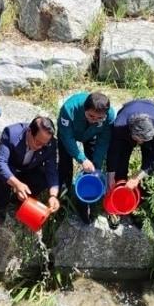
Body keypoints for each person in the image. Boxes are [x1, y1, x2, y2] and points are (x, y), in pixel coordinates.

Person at [0, 117, 61, 225]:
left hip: (27, 169)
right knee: (5, 177)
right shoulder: (11, 133)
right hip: (8, 169)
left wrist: (53, 196)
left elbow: (51, 170)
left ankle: (19, 201)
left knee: (42, 179)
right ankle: (0, 209)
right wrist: (16, 184)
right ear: (29, 131)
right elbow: (0, 163)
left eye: (44, 144)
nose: (40, 147)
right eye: (38, 142)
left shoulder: (50, 143)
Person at [105, 99, 154, 227]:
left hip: (152, 134)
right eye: (137, 140)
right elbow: (113, 152)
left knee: (147, 171)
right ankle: (117, 198)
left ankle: (138, 203)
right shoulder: (120, 125)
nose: (139, 143)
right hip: (128, 124)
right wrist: (110, 176)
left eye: (143, 140)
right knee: (121, 161)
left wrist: (137, 177)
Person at [58, 91, 114, 224]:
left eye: (99, 118)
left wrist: (96, 165)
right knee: (65, 166)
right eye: (91, 116)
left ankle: (86, 202)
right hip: (69, 134)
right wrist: (81, 158)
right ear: (85, 109)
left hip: (92, 134)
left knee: (93, 168)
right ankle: (63, 201)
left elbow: (103, 141)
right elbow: (67, 137)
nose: (94, 119)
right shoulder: (69, 109)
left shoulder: (110, 116)